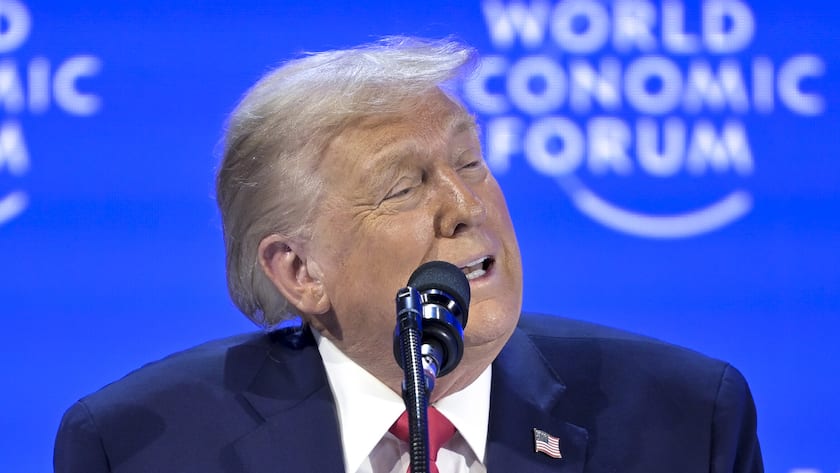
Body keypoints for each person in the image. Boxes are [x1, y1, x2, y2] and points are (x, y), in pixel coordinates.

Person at [54, 37, 763, 473]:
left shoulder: (686, 418)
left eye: (470, 160)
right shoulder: (141, 447)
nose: (465, 204)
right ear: (299, 270)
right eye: (404, 186)